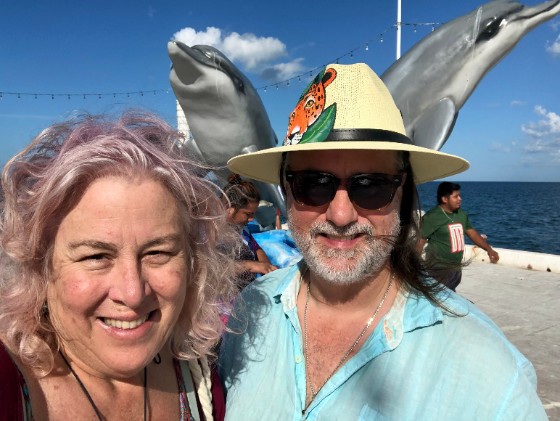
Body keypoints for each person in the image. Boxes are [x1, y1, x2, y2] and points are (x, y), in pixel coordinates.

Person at [219, 63, 546, 419]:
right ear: (286, 191)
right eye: (314, 184)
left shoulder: (492, 379)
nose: (341, 215)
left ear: (402, 193)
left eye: (371, 185)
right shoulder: (251, 310)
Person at [0, 111, 240, 421]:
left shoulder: (202, 378)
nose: (132, 293)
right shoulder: (10, 385)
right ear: (40, 266)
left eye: (157, 252)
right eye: (96, 257)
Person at [418, 181, 500, 291]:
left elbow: (472, 233)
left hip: (456, 269)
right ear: (445, 199)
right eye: (456, 196)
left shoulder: (461, 214)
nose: (460, 199)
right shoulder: (431, 217)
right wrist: (411, 265)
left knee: (450, 295)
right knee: (439, 300)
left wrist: (489, 249)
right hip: (438, 270)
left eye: (460, 195)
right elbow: (420, 241)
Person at [223, 174, 277, 289]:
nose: (252, 219)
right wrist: (250, 266)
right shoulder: (209, 233)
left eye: (253, 214)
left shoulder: (240, 229)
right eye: (248, 214)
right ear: (230, 208)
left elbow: (256, 248)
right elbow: (208, 268)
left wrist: (267, 268)